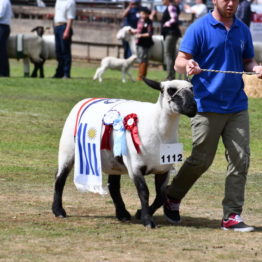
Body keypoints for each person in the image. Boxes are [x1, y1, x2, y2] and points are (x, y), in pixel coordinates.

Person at [163, 0, 262, 232]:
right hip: (206, 105)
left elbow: (248, 60)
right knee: (201, 160)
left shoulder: (242, 30)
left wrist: (255, 68)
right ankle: (171, 196)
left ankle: (232, 215)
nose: (230, 3)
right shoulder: (199, 28)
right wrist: (188, 64)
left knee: (241, 159)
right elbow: (179, 60)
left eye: (235, 0)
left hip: (237, 105)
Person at [53, 0, 76, 79]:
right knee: (58, 51)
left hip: (64, 26)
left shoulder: (70, 2)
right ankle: (59, 72)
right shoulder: (58, 1)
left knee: (65, 51)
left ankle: (66, 73)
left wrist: (67, 30)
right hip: (57, 26)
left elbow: (70, 17)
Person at [131, 7, 154, 80]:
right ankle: (141, 76)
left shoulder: (149, 22)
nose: (142, 15)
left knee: (144, 59)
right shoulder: (139, 21)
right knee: (140, 58)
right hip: (139, 42)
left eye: (144, 14)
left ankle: (141, 77)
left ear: (147, 15)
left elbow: (150, 33)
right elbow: (138, 30)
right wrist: (134, 31)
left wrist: (140, 35)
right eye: (141, 13)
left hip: (145, 43)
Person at [161, 0, 182, 80]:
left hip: (171, 33)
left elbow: (174, 18)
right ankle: (171, 75)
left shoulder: (171, 6)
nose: (162, 1)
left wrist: (165, 24)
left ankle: (170, 76)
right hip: (172, 33)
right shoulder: (171, 6)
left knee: (168, 54)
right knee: (171, 55)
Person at [0, 0, 12, 77]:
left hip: (2, 27)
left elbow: (0, 14)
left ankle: (4, 72)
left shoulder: (3, 1)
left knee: (1, 50)